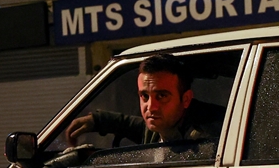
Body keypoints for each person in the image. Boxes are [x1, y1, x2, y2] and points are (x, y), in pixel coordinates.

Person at [65, 54, 224, 146]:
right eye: (144, 96)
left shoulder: (206, 140)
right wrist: (98, 120)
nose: (151, 107)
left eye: (161, 96)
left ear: (186, 99)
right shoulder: (165, 124)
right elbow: (132, 125)